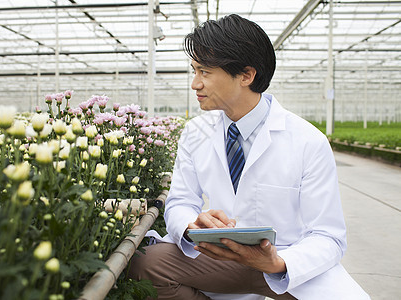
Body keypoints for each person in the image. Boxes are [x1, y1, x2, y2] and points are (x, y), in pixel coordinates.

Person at [129, 14, 370, 300]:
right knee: (146, 264)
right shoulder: (196, 132)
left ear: (246, 75)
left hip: (286, 262)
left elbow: (328, 235)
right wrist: (193, 224)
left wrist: (277, 263)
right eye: (194, 71)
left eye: (204, 72)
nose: (195, 84)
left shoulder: (308, 141)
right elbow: (180, 201)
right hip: (221, 257)